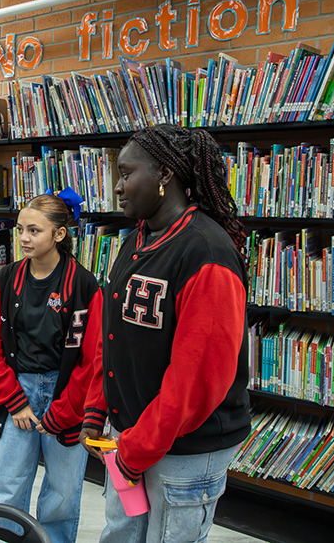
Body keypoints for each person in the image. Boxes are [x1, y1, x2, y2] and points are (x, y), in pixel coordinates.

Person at [80, 124, 251, 543]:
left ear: (165, 175)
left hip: (185, 450)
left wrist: (136, 449)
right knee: (121, 532)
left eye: (125, 173)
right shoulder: (137, 239)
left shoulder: (206, 254)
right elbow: (112, 337)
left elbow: (196, 381)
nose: (117, 187)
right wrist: (95, 412)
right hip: (131, 435)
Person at [0, 192, 102, 543]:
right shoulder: (5, 280)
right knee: (8, 482)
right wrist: (14, 402)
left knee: (63, 490)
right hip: (19, 392)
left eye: (34, 230)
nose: (24, 238)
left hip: (67, 398)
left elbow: (92, 361)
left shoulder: (84, 285)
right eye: (20, 230)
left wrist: (65, 410)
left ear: (59, 235)